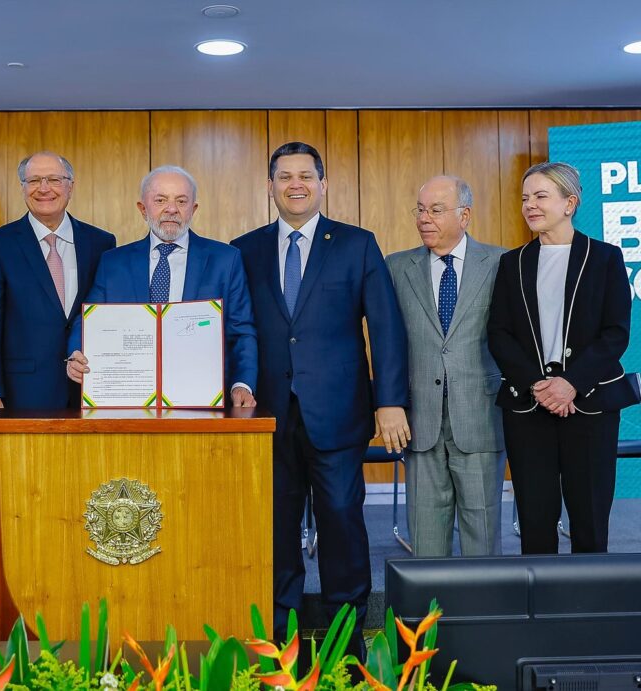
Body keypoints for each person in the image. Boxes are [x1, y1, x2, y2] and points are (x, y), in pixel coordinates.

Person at [231, 141, 408, 647]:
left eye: (305, 176)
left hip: (337, 412)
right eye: (285, 177)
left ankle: (345, 643)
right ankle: (278, 639)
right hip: (266, 413)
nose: (296, 185)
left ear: (323, 184)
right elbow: (233, 328)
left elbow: (386, 328)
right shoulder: (244, 249)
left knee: (341, 523)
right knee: (275, 527)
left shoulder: (356, 244)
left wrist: (389, 401)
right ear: (270, 186)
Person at [488, 161, 637, 555]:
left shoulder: (605, 258)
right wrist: (538, 385)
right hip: (528, 406)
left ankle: (591, 595)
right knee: (535, 521)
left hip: (590, 406)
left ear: (569, 203)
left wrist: (570, 383)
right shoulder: (512, 263)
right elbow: (499, 333)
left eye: (541, 196)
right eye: (525, 198)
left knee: (590, 522)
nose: (530, 205)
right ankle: (542, 595)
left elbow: (615, 333)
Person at [66, 165, 257, 407]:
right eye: (160, 200)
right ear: (142, 209)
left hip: (201, 401)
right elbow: (88, 320)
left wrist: (242, 384)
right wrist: (75, 354)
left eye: (181, 201)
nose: (171, 209)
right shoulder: (112, 263)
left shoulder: (226, 260)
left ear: (193, 209)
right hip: (130, 400)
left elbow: (242, 332)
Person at [386, 175, 506, 557]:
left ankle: (480, 599)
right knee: (425, 541)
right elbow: (387, 342)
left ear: (464, 215)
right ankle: (429, 601)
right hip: (420, 419)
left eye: (436, 210)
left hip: (480, 416)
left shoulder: (501, 263)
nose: (424, 218)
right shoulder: (396, 267)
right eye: (420, 210)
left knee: (482, 537)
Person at [0, 152, 115, 412]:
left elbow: (106, 314)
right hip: (22, 392)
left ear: (70, 186)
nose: (44, 188)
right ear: (23, 188)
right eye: (34, 180)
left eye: (54, 179)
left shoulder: (101, 243)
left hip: (91, 388)